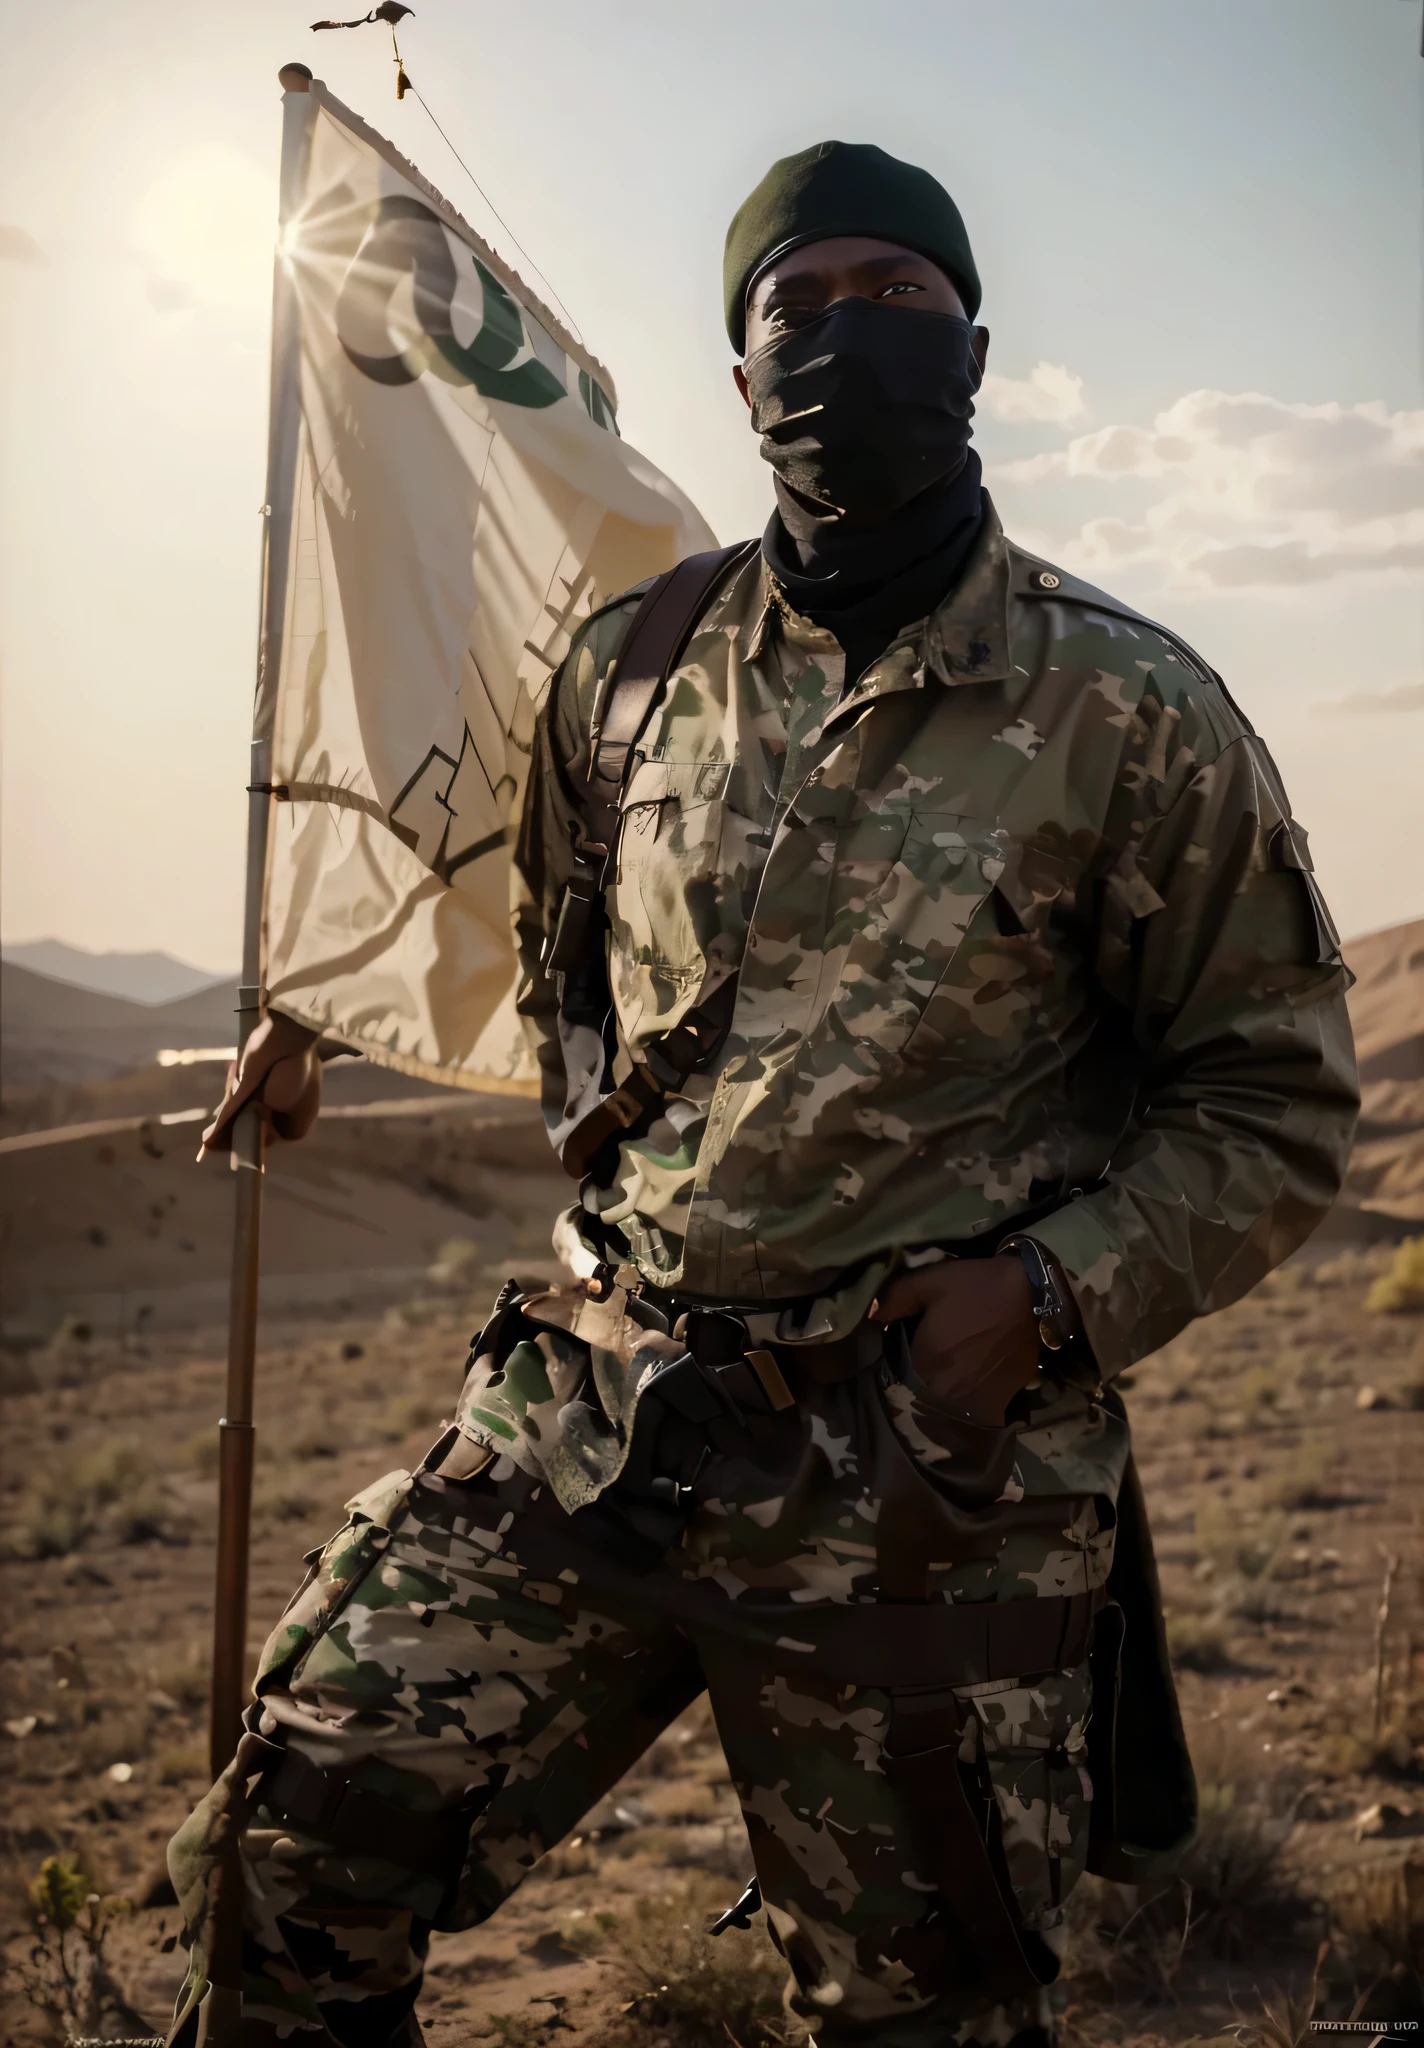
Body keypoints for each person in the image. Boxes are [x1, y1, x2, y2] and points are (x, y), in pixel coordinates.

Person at [172, 141, 1359, 2048]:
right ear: (740, 375)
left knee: (925, 2011)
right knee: (290, 1848)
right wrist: (340, 1018)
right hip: (598, 1418)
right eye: (798, 306)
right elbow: (564, 970)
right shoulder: (628, 676)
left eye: (897, 298)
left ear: (974, 349)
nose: (845, 339)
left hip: (920, 1477)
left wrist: (1037, 1301)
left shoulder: (1134, 711)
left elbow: (1274, 1102)